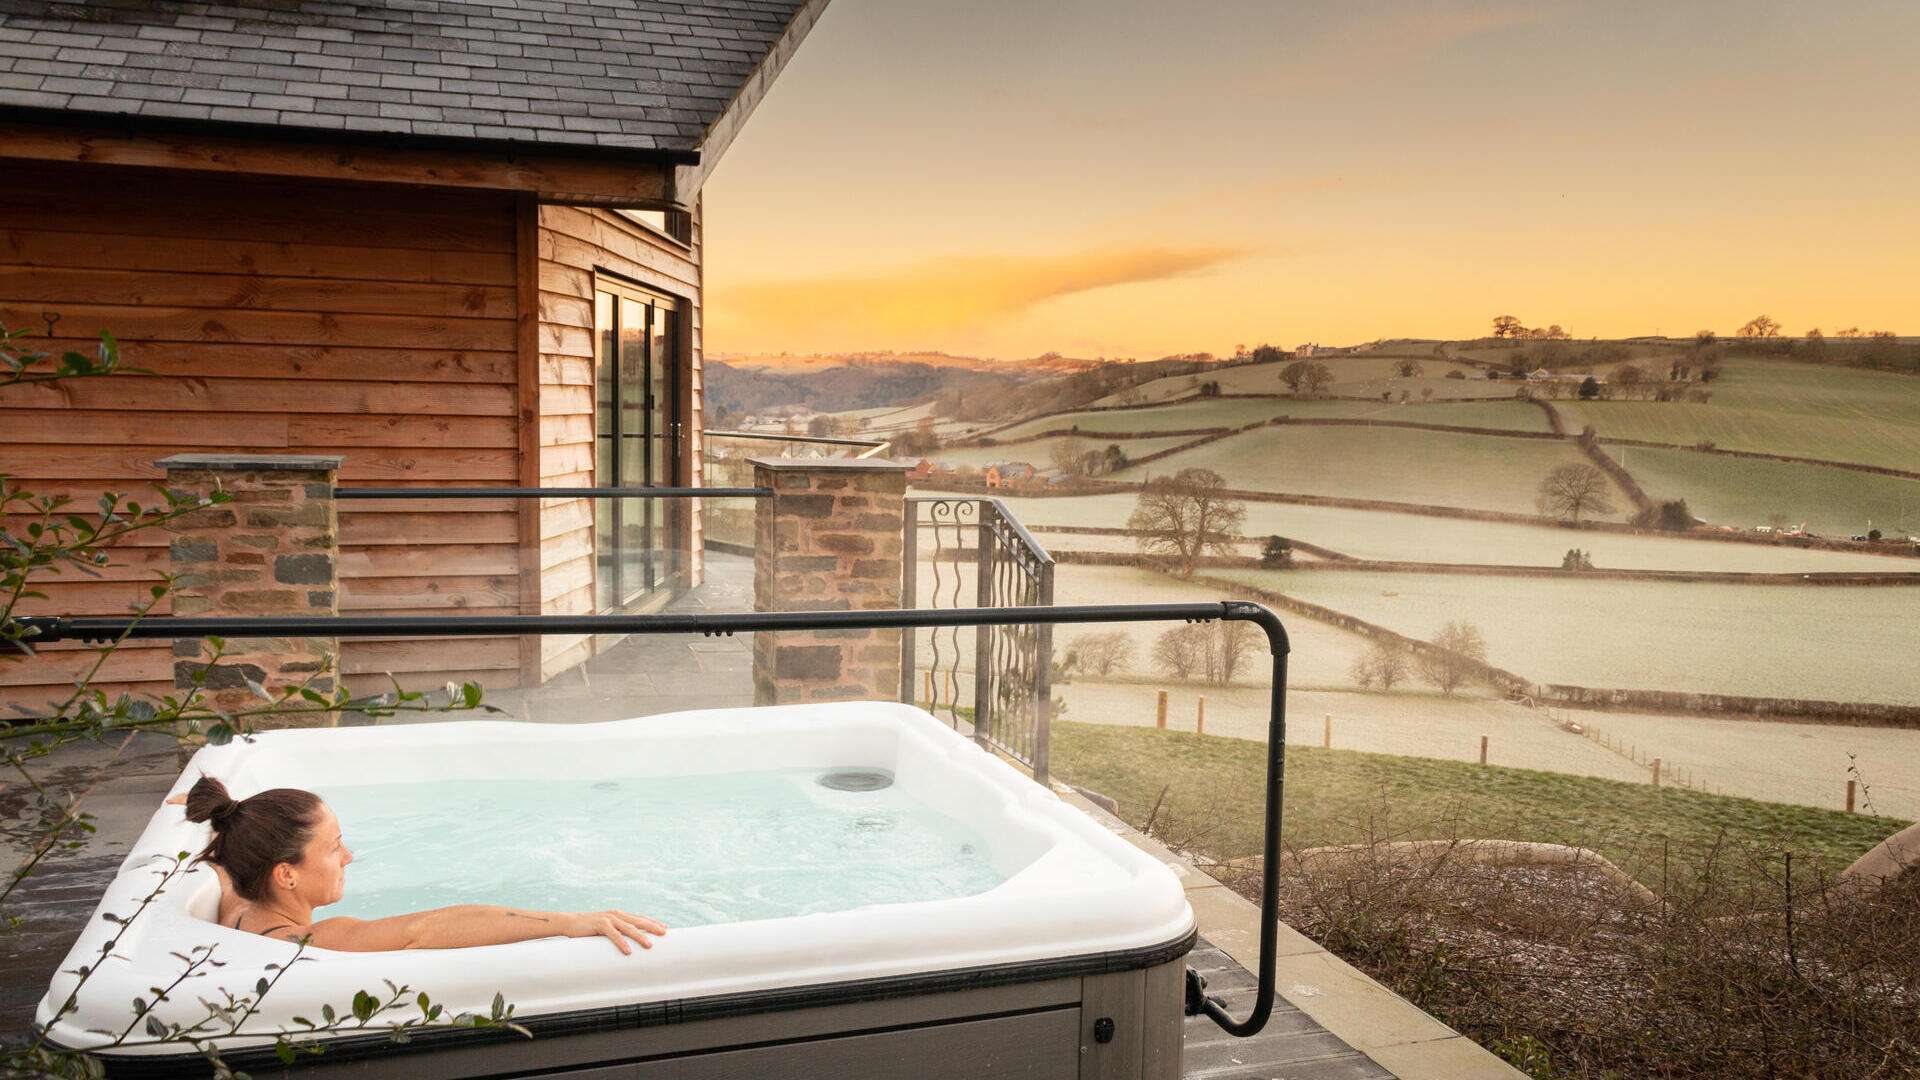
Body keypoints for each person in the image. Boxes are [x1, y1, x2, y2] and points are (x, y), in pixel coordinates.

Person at [168, 776, 667, 954]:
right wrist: (571, 922)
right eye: (334, 846)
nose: (349, 856)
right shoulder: (298, 944)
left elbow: (225, 833)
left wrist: (203, 810)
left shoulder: (233, 886)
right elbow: (426, 928)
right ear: (286, 874)